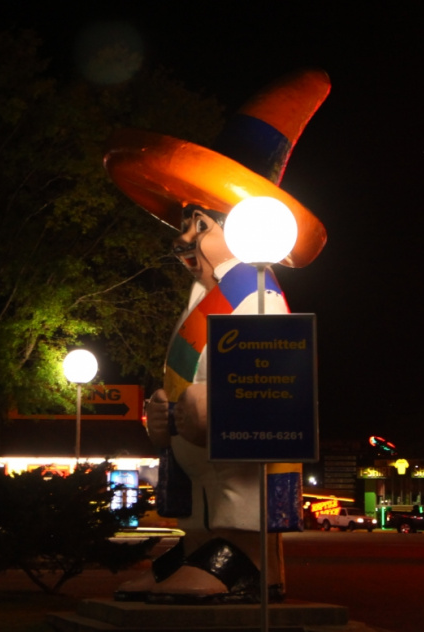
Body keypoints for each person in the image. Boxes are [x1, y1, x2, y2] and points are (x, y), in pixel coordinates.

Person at [105, 70, 330, 605]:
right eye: (185, 224)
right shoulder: (204, 297)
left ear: (240, 225)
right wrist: (162, 410)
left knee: (240, 494)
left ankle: (246, 562)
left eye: (197, 224)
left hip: (243, 465)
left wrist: (219, 408)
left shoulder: (259, 295)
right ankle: (204, 549)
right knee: (206, 501)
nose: (183, 238)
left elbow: (272, 382)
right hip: (199, 464)